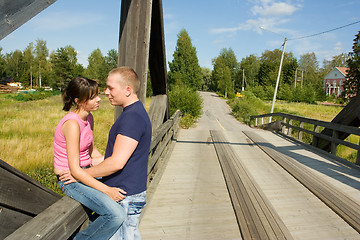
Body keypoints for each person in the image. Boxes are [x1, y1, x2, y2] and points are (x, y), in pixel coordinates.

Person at [83, 67, 152, 240]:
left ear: (128, 90)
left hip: (124, 197)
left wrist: (81, 175)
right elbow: (113, 158)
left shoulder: (132, 118)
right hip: (127, 195)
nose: (106, 92)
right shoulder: (134, 113)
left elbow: (116, 163)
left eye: (110, 88)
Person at [54, 76, 126, 240]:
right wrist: (108, 190)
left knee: (123, 189)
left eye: (98, 95)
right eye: (92, 97)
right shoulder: (72, 124)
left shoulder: (88, 118)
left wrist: (113, 162)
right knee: (116, 215)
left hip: (86, 173)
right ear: (78, 101)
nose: (99, 99)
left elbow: (92, 152)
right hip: (71, 181)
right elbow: (74, 170)